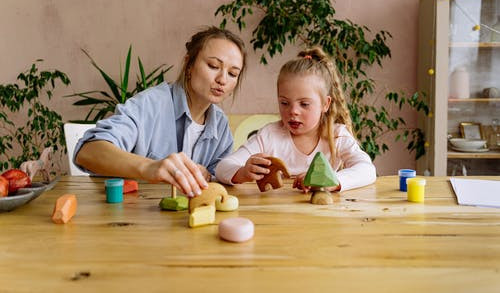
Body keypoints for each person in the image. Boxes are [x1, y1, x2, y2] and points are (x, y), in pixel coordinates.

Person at [74, 26, 247, 198]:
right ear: (189, 65)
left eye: (232, 74)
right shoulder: (150, 104)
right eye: (213, 65)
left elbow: (218, 181)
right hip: (131, 218)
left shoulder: (221, 126)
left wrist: (210, 175)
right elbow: (88, 152)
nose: (223, 80)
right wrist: (150, 167)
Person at [215, 47, 376, 192]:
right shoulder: (269, 136)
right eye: (284, 103)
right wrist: (243, 172)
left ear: (325, 104)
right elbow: (222, 167)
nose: (293, 111)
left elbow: (367, 170)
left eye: (304, 104)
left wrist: (333, 180)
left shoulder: (336, 135)